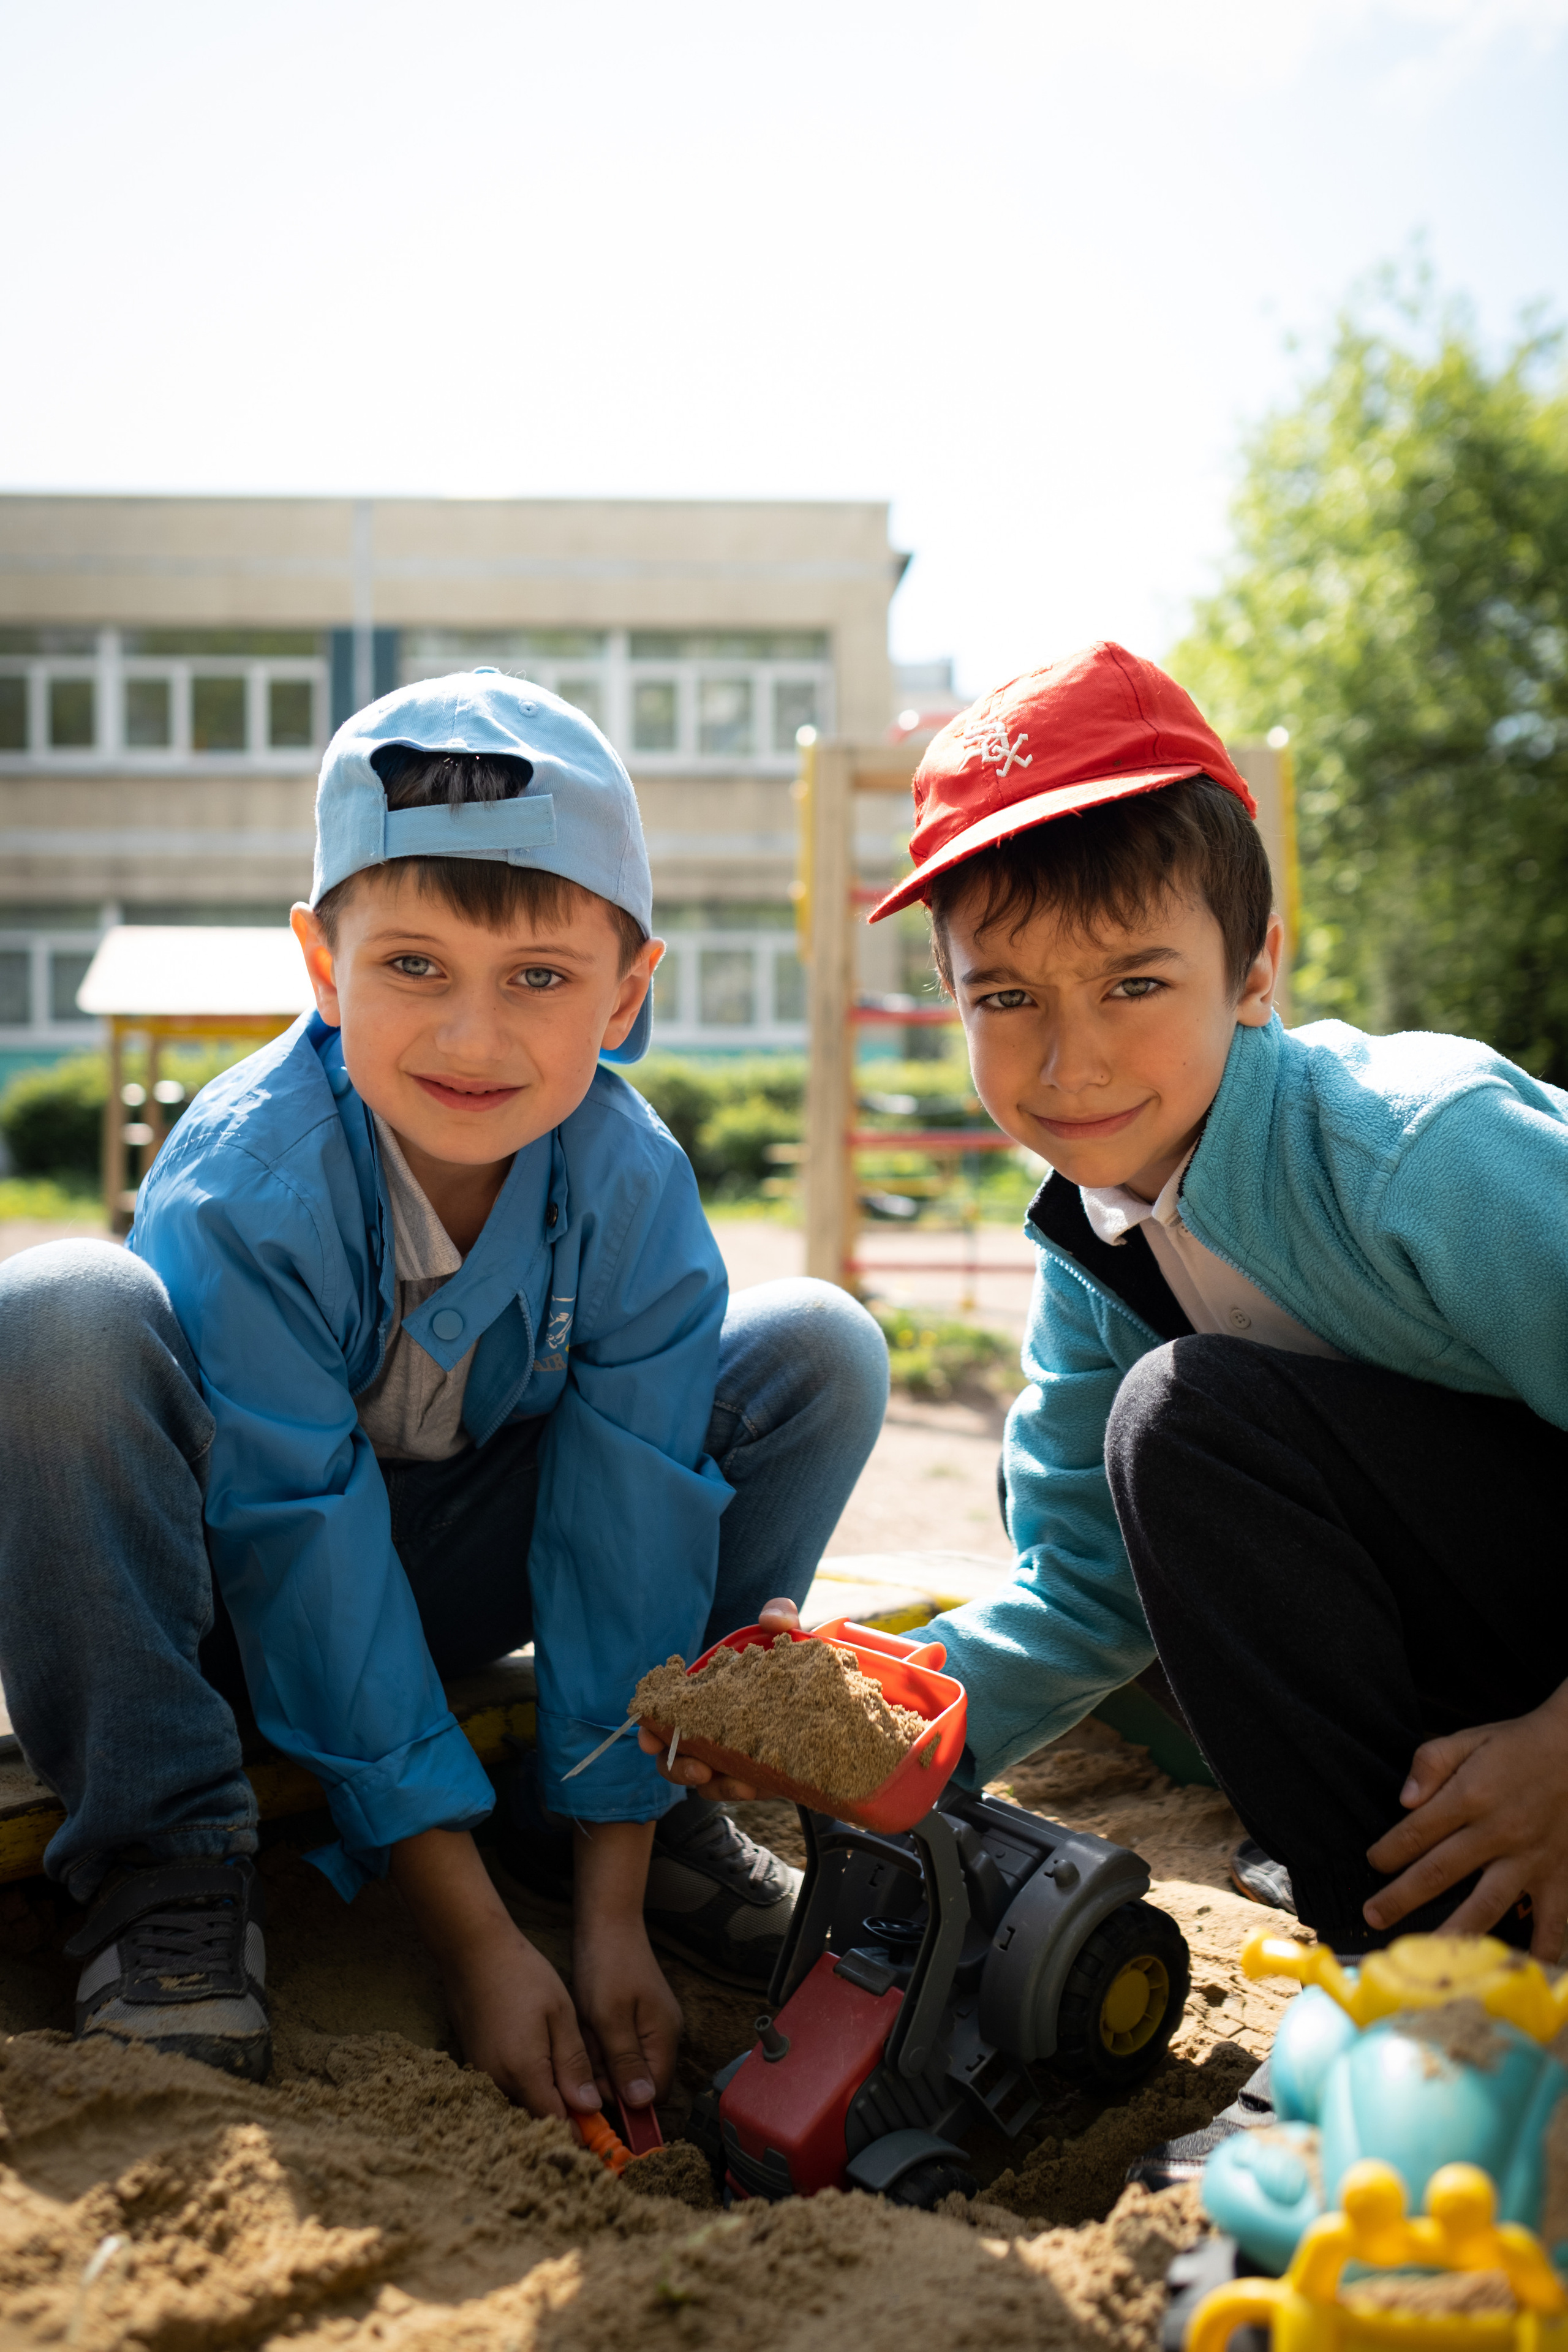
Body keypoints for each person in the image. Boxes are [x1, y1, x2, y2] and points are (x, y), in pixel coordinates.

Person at [0, 669, 888, 2119]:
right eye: (412, 967)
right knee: (58, 1317)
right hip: (214, 1602)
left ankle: (625, 1815)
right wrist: (474, 1940)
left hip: (457, 1575)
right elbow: (297, 1537)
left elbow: (628, 1522)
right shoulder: (252, 1180)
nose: (472, 1040)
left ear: (628, 992)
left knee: (816, 1348)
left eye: (537, 977)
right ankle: (163, 1860)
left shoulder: (627, 1178)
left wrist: (598, 1917)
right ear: (319, 962)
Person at [657, 640, 1568, 1967]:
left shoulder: (1418, 1150)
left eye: (1132, 985)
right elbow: (1083, 1591)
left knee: (1182, 1416)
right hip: (1478, 1645)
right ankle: (1427, 1974)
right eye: (1006, 998)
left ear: (1254, 968)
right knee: (1167, 1464)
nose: (1067, 1059)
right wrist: (855, 1730)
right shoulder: (1098, 1236)